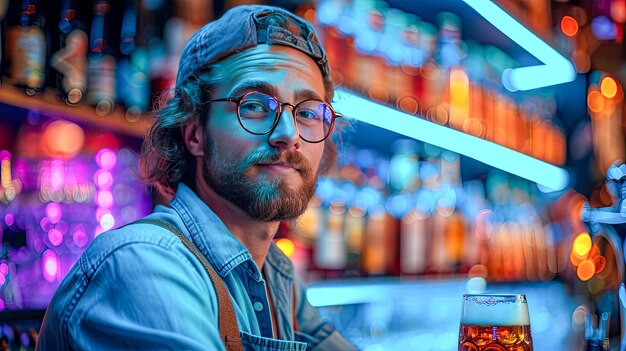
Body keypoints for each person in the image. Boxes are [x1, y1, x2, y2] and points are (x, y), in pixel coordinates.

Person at [36, 5, 356, 351]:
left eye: (308, 112)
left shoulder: (277, 278)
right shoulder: (145, 266)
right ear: (194, 133)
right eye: (254, 105)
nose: (288, 134)